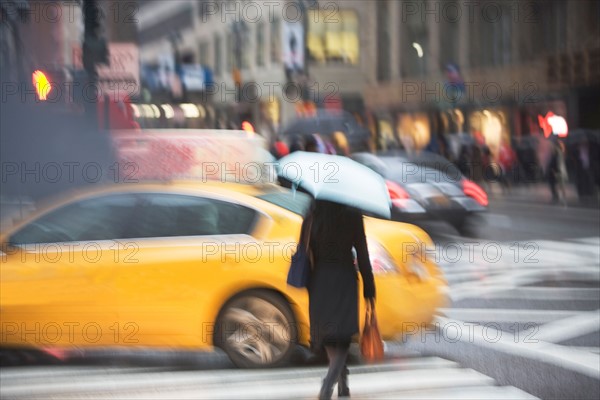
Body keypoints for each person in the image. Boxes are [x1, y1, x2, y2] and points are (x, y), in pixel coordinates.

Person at [302, 200, 376, 399]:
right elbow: (362, 253)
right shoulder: (352, 213)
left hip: (319, 279)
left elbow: (303, 246)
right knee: (342, 336)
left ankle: (342, 383)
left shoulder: (313, 213)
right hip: (344, 278)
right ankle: (328, 385)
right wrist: (369, 288)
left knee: (328, 334)